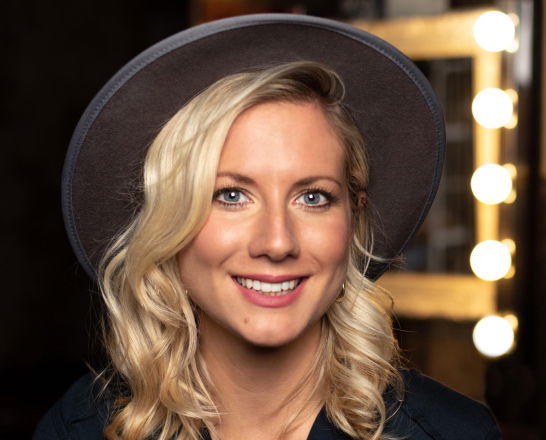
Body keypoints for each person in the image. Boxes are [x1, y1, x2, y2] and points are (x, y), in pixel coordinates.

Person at [35, 14, 500, 440]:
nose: (277, 242)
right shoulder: (78, 429)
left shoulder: (451, 433)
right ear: (167, 220)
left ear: (354, 218)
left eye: (313, 197)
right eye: (231, 195)